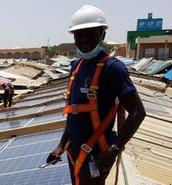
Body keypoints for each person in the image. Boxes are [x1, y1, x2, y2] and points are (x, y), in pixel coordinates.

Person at [46, 5, 145, 185]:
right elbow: (73, 111)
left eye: (90, 33)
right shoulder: (76, 66)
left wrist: (114, 149)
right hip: (73, 152)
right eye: (79, 35)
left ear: (102, 34)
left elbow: (138, 112)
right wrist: (61, 145)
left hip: (97, 156)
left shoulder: (113, 68)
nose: (84, 40)